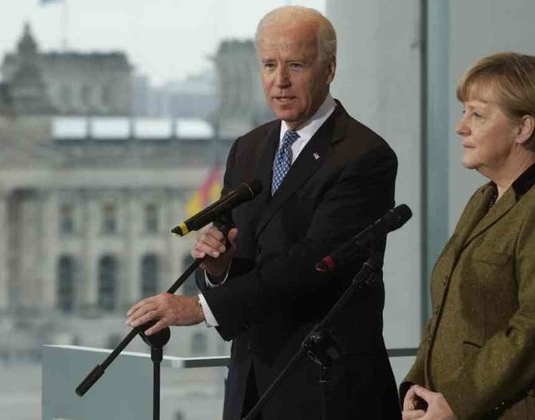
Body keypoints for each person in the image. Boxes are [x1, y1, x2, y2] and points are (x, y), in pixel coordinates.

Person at [126, 6, 402, 420]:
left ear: (329, 69)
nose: (280, 80)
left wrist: (201, 307)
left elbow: (312, 263)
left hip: (326, 389)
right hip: (250, 384)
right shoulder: (249, 147)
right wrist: (219, 268)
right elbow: (240, 249)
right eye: (270, 65)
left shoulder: (364, 155)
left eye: (295, 65)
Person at [400, 52, 535, 419]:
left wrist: (456, 401)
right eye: (464, 112)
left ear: (523, 128)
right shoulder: (485, 198)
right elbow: (449, 313)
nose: (461, 127)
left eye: (477, 115)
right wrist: (416, 388)